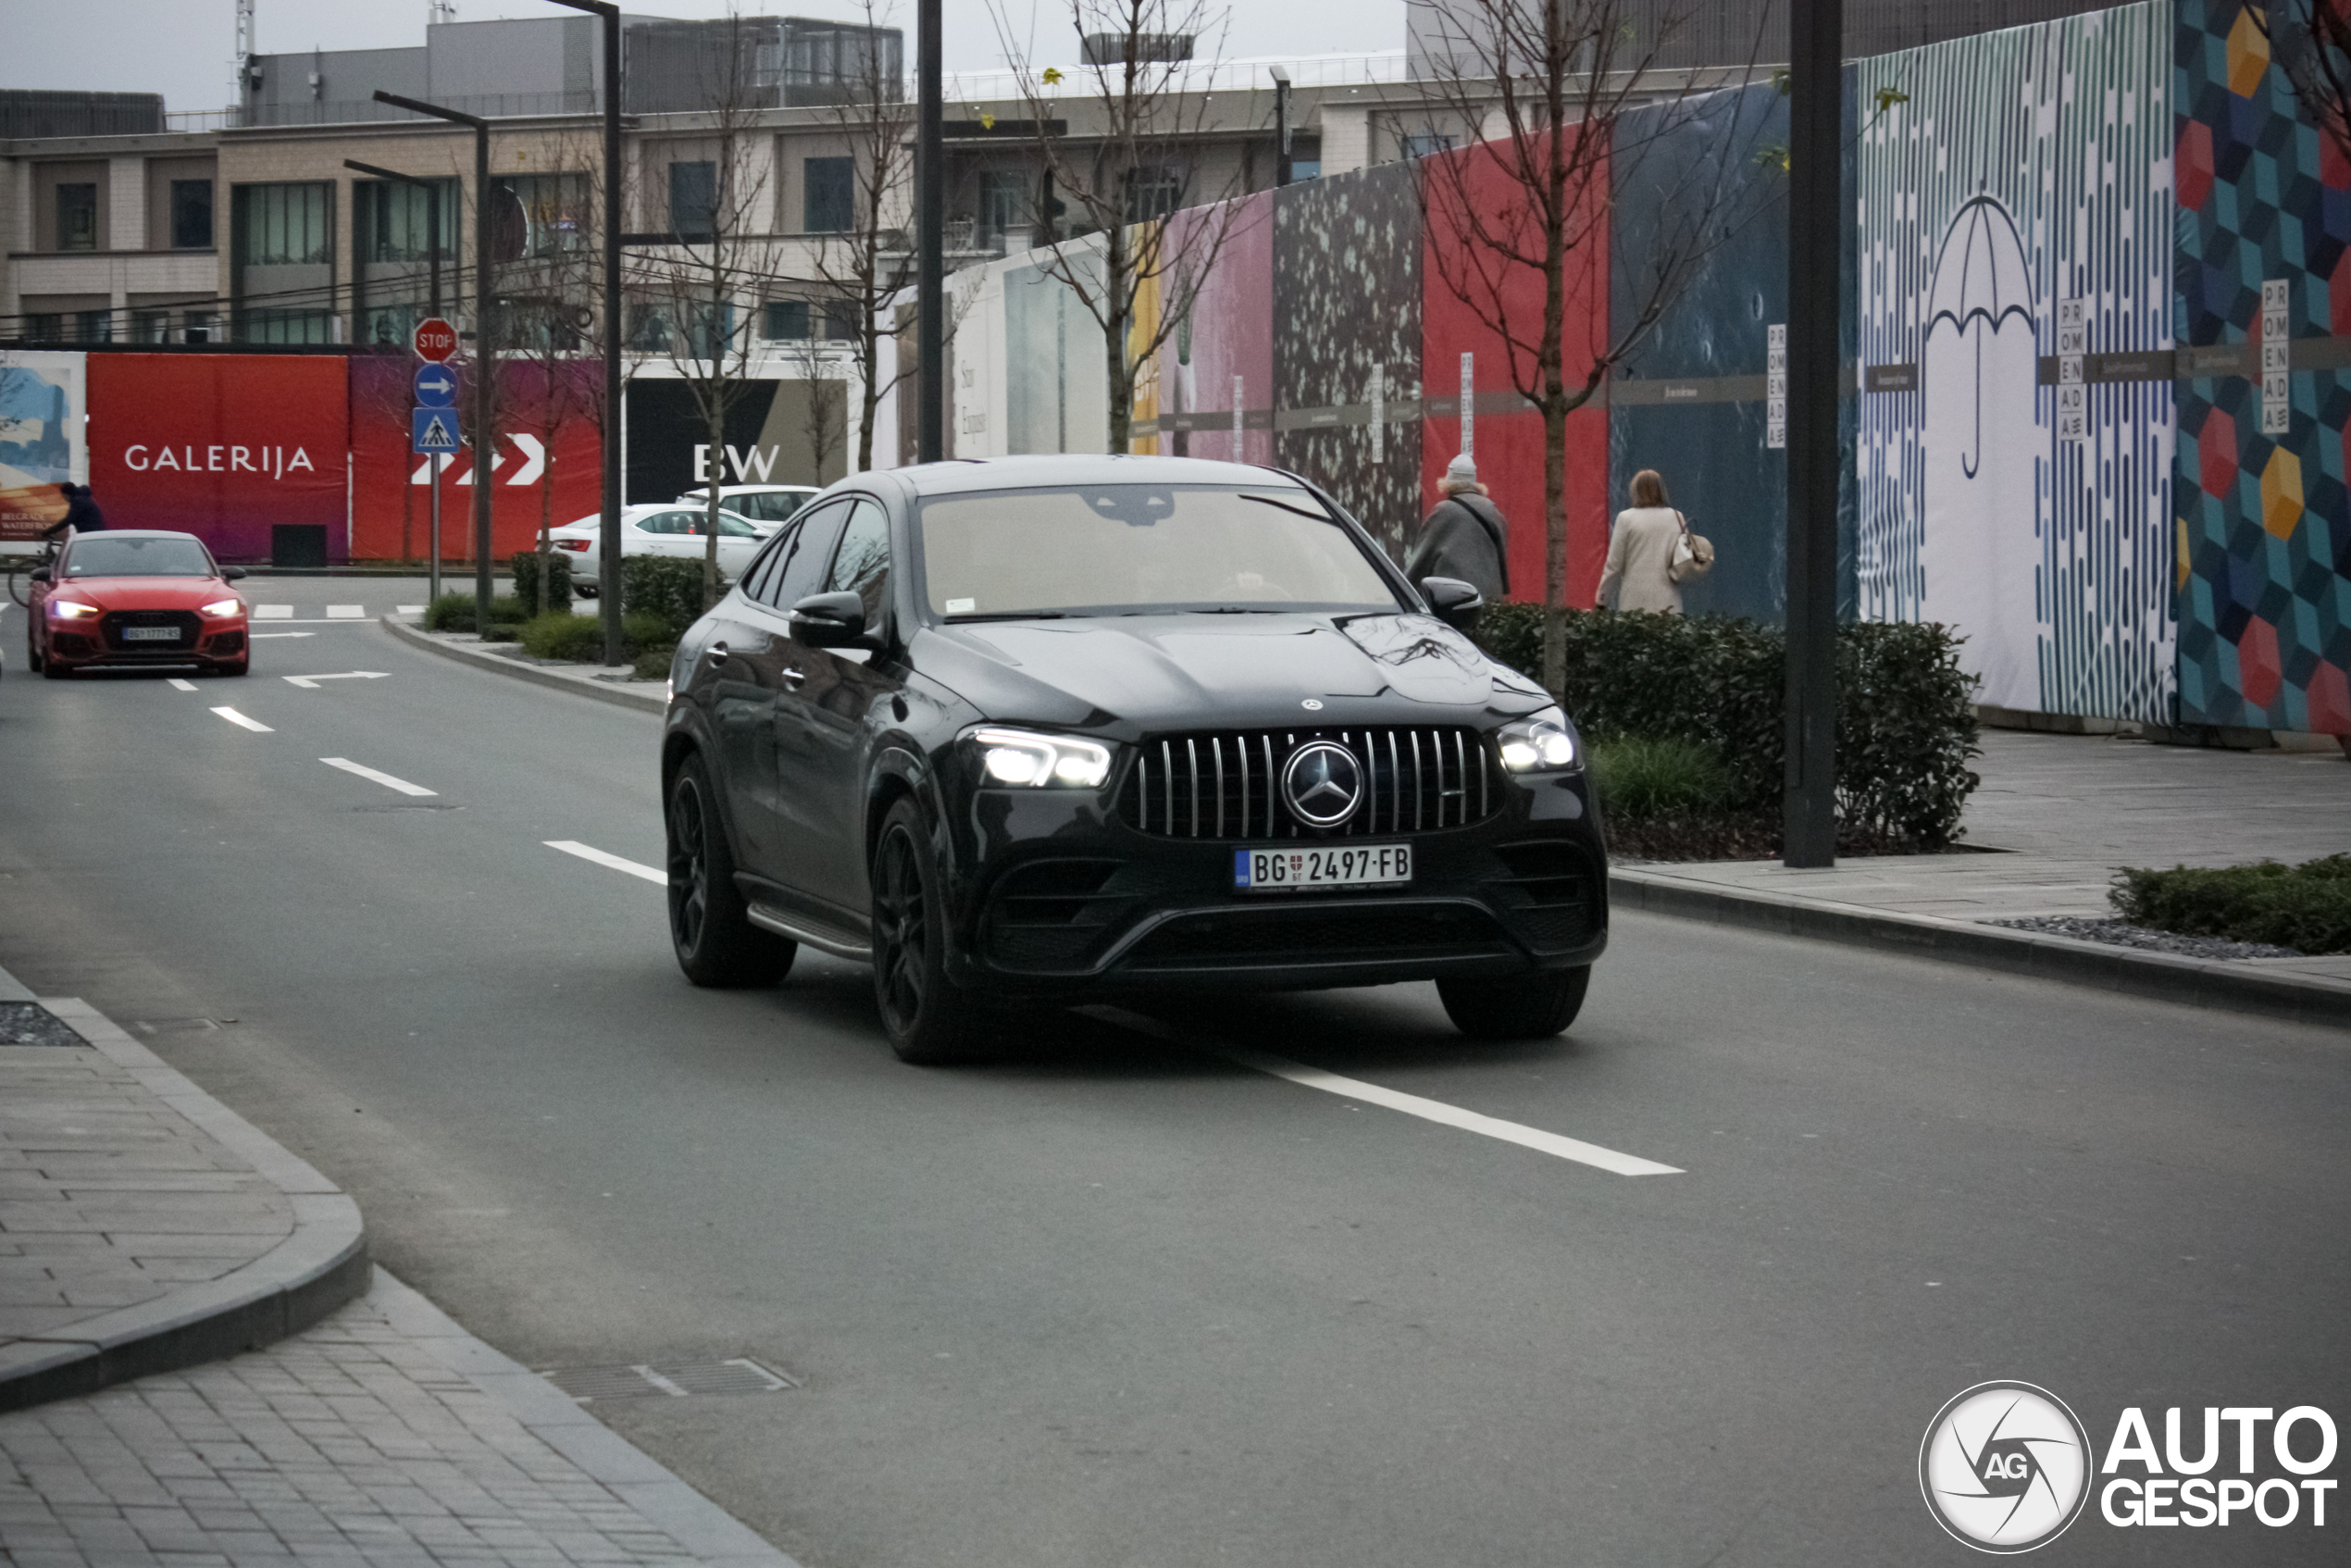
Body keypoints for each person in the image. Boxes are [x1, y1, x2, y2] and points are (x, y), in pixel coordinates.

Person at [1406, 453, 1509, 603]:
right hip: (1488, 606)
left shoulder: (1444, 511)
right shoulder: (1493, 512)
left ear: (1448, 484)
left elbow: (1419, 562)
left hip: (1452, 603)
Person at [1596, 468, 1693, 615]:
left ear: (1635, 491)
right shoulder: (1677, 517)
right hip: (1669, 602)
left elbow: (1614, 566)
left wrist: (1602, 601)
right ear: (1661, 490)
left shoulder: (1626, 519)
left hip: (1634, 602)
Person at [38, 483, 106, 541]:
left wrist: (49, 531)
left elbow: (69, 519)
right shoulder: (83, 498)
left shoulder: (78, 501)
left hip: (91, 534)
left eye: (63, 496)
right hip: (94, 532)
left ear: (66, 494)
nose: (64, 498)